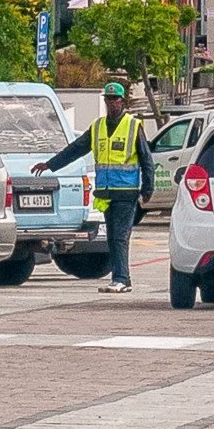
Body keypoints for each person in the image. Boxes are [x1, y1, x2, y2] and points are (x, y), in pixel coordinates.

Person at [88, 81, 149, 294]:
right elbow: (76, 148)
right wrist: (50, 165)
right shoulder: (98, 126)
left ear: (123, 101)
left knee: (119, 237)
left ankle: (120, 278)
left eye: (115, 98)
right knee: (112, 237)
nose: (111, 102)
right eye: (108, 98)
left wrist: (147, 189)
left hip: (126, 192)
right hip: (106, 193)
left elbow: (146, 159)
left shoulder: (133, 125)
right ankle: (122, 279)